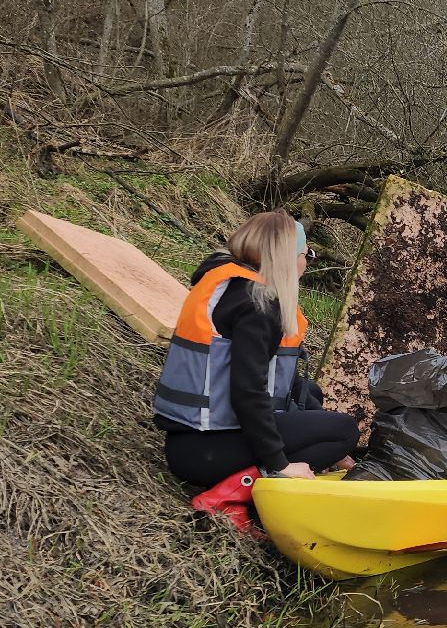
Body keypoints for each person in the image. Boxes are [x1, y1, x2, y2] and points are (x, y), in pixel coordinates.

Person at [152, 211, 360, 533]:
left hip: (187, 439)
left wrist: (330, 442)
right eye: (307, 255)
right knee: (345, 430)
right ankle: (231, 494)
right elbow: (248, 393)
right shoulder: (259, 304)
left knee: (310, 393)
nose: (307, 263)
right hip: (205, 452)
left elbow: (283, 384)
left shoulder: (230, 286)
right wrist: (281, 464)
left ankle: (257, 472)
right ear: (288, 258)